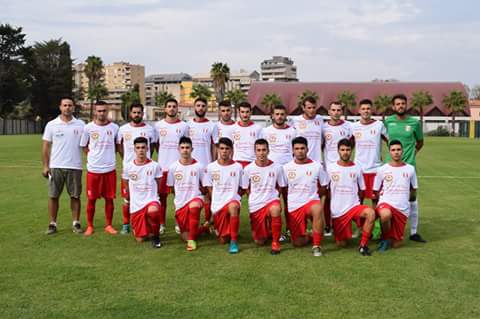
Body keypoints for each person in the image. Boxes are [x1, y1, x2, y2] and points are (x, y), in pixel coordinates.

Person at [384, 94, 426, 243]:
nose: (400, 106)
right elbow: (385, 138)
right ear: (393, 106)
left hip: (409, 167)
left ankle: (414, 232)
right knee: (389, 197)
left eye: (403, 103)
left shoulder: (414, 123)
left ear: (406, 105)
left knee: (412, 198)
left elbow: (420, 142)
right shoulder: (388, 121)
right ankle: (386, 231)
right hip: (391, 167)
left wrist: (412, 154)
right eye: (397, 104)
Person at [42, 97, 85, 234]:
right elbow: (45, 147)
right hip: (56, 166)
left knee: (75, 196)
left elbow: (87, 145)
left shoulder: (81, 125)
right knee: (53, 196)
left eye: (70, 105)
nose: (67, 107)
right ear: (60, 107)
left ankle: (76, 223)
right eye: (65, 105)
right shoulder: (51, 124)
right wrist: (45, 166)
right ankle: (52, 224)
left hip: (75, 166)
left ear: (73, 107)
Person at [327, 138, 376, 256]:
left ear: (351, 151)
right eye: (342, 149)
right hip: (338, 211)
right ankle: (341, 231)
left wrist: (359, 207)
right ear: (338, 151)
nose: (345, 152)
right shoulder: (330, 168)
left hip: (353, 207)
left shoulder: (357, 167)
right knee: (342, 244)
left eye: (348, 150)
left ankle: (363, 245)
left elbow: (362, 190)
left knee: (370, 213)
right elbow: (326, 190)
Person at [79, 101, 119, 236]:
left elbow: (116, 145)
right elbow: (84, 145)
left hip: (109, 170)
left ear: (107, 111)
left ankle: (109, 225)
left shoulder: (114, 128)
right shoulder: (88, 128)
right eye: (99, 111)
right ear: (95, 112)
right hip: (93, 170)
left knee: (109, 199)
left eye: (104, 110)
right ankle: (90, 226)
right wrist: (93, 157)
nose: (102, 113)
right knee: (91, 199)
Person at [283, 137, 328, 256]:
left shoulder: (316, 166)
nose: (300, 151)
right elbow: (284, 188)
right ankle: (311, 234)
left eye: (302, 148)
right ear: (292, 150)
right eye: (297, 148)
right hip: (294, 206)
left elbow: (324, 186)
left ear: (307, 149)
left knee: (317, 208)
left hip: (310, 202)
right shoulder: (286, 167)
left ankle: (316, 245)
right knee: (297, 243)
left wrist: (318, 201)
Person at [117, 103, 157, 235]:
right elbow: (120, 146)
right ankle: (125, 224)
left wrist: (146, 161)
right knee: (127, 197)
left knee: (147, 195)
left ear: (142, 113)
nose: (136, 115)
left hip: (146, 169)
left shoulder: (150, 129)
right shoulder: (123, 129)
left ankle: (148, 223)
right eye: (134, 112)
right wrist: (128, 161)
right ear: (130, 114)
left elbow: (152, 146)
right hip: (129, 169)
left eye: (139, 112)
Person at [242, 139, 285, 255]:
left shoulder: (277, 167)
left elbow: (281, 186)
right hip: (256, 204)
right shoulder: (248, 169)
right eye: (258, 150)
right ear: (255, 152)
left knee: (275, 209)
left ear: (268, 151)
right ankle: (271, 231)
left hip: (271, 201)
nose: (261, 153)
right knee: (259, 241)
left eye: (264, 150)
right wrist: (255, 198)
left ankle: (276, 243)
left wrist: (275, 198)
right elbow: (246, 188)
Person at [373, 140, 418, 251]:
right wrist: (378, 208)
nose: (396, 152)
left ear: (402, 151)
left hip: (402, 208)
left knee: (397, 244)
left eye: (398, 150)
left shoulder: (410, 169)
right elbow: (376, 190)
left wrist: (408, 201)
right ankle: (385, 238)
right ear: (390, 152)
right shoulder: (382, 169)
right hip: (386, 203)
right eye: (393, 150)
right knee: (385, 215)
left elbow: (413, 189)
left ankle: (390, 236)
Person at [154, 98, 189, 234]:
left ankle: (178, 223)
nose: (171, 109)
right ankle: (161, 224)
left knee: (179, 197)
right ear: (165, 109)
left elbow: (185, 144)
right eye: (169, 106)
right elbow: (156, 144)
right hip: (163, 168)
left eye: (174, 106)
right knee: (162, 198)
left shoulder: (184, 126)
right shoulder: (158, 126)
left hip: (178, 168)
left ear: (177, 109)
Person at [167, 136, 208, 251]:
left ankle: (191, 242)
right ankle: (204, 228)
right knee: (185, 235)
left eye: (187, 147)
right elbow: (172, 188)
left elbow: (204, 187)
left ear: (192, 149)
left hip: (196, 199)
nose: (185, 150)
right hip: (180, 204)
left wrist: (205, 200)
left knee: (193, 207)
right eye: (183, 147)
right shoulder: (173, 167)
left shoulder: (199, 166)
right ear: (178, 149)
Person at [203, 137, 243, 254]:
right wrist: (216, 199)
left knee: (233, 206)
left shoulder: (238, 167)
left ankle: (234, 242)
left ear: (231, 150)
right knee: (222, 240)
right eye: (222, 148)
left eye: (227, 148)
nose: (224, 151)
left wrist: (237, 198)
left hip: (232, 203)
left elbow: (242, 187)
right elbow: (209, 188)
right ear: (218, 150)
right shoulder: (211, 167)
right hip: (217, 206)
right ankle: (208, 226)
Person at [122, 137, 163, 248]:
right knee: (140, 239)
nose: (141, 150)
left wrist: (155, 196)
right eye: (138, 148)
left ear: (147, 149)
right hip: (136, 206)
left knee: (153, 211)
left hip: (151, 200)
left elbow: (159, 182)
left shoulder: (155, 166)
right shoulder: (128, 166)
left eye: (143, 147)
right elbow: (125, 181)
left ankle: (156, 237)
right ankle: (148, 228)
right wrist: (130, 196)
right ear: (134, 150)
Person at [322, 100, 353, 236]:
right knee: (328, 197)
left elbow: (352, 144)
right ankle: (328, 226)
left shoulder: (348, 126)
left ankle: (345, 224)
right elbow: (321, 146)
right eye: (333, 110)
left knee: (345, 195)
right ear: (329, 112)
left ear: (342, 112)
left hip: (345, 168)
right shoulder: (323, 128)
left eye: (338, 110)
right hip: (329, 168)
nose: (336, 113)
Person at [187, 98, 218, 225]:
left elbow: (214, 146)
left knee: (207, 195)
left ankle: (207, 222)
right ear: (194, 107)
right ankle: (191, 222)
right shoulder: (187, 125)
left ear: (206, 108)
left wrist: (213, 163)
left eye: (203, 106)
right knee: (191, 193)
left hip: (206, 166)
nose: (200, 108)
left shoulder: (212, 126)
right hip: (191, 166)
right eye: (198, 105)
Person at [351, 99, 388, 205]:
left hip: (375, 168)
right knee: (358, 199)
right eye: (363, 109)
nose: (366, 111)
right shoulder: (354, 127)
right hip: (359, 168)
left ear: (372, 110)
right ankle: (360, 222)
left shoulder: (379, 125)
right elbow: (349, 146)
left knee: (376, 199)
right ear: (359, 111)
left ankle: (375, 222)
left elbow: (389, 142)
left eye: (368, 108)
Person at [291, 96, 324, 163]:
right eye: (309, 108)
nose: (312, 110)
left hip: (316, 161)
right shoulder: (295, 120)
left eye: (314, 107)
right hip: (300, 161)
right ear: (303, 108)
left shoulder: (320, 119)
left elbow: (323, 140)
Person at [231, 102, 262, 167]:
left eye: (247, 112)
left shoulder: (258, 128)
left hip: (252, 163)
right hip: (237, 163)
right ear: (239, 112)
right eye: (242, 112)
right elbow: (229, 148)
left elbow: (261, 147)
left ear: (251, 112)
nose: (245, 115)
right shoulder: (233, 128)